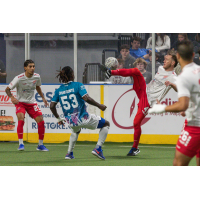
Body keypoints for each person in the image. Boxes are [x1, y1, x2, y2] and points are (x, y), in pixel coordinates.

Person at [101, 52, 178, 156]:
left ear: (173, 63)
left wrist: (172, 84)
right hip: (143, 89)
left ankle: (135, 148)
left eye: (167, 59)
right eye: (164, 59)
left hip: (148, 101)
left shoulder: (173, 77)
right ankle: (111, 72)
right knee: (136, 71)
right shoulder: (160, 68)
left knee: (136, 123)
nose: (164, 61)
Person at [149, 40, 200, 166]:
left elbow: (182, 104)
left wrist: (162, 108)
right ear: (193, 55)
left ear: (177, 57)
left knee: (178, 163)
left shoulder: (183, 76)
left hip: (195, 126)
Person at [50, 66, 110, 160]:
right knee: (106, 124)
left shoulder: (59, 90)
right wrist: (99, 105)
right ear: (72, 75)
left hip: (71, 121)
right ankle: (98, 148)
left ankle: (69, 153)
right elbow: (86, 98)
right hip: (84, 117)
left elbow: (52, 106)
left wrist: (58, 118)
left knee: (75, 131)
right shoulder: (78, 85)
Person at [5, 59, 49, 151]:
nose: (32, 68)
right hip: (20, 103)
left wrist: (43, 98)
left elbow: (37, 87)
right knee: (21, 119)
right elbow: (7, 89)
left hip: (32, 103)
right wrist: (12, 98)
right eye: (30, 66)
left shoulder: (37, 77)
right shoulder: (19, 78)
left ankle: (40, 145)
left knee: (41, 121)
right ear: (25, 68)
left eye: (33, 66)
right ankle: (21, 144)